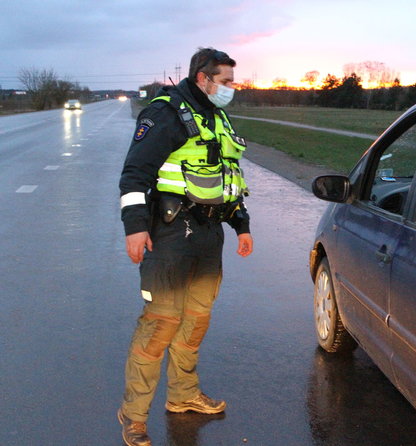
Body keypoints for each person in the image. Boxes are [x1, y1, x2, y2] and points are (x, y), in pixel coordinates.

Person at [117, 47, 253, 446]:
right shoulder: (166, 113)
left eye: (232, 81)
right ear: (202, 79)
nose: (231, 88)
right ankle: (134, 414)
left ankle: (183, 396)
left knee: (194, 322)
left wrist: (241, 225)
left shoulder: (217, 117)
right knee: (161, 324)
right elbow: (134, 174)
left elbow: (229, 177)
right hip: (171, 235)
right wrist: (135, 227)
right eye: (225, 81)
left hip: (210, 237)